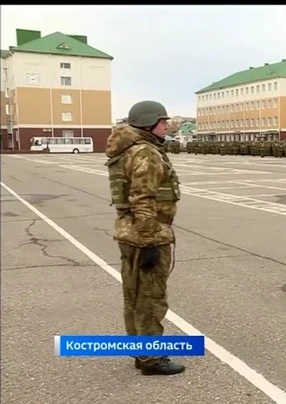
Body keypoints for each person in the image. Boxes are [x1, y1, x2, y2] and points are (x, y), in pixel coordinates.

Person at [104, 100, 184, 375]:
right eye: (162, 122)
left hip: (129, 232)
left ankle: (142, 352)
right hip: (145, 234)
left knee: (134, 295)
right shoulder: (145, 153)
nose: (166, 125)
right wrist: (150, 239)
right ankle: (151, 358)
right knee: (150, 297)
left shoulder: (127, 149)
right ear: (148, 124)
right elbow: (143, 198)